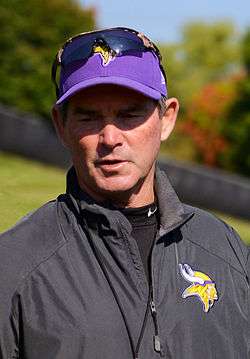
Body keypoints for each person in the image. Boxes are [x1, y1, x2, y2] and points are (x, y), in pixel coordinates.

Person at [0, 27, 249, 359]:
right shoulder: (14, 264)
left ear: (166, 118)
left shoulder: (226, 250)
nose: (110, 138)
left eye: (130, 114)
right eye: (89, 117)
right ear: (61, 125)